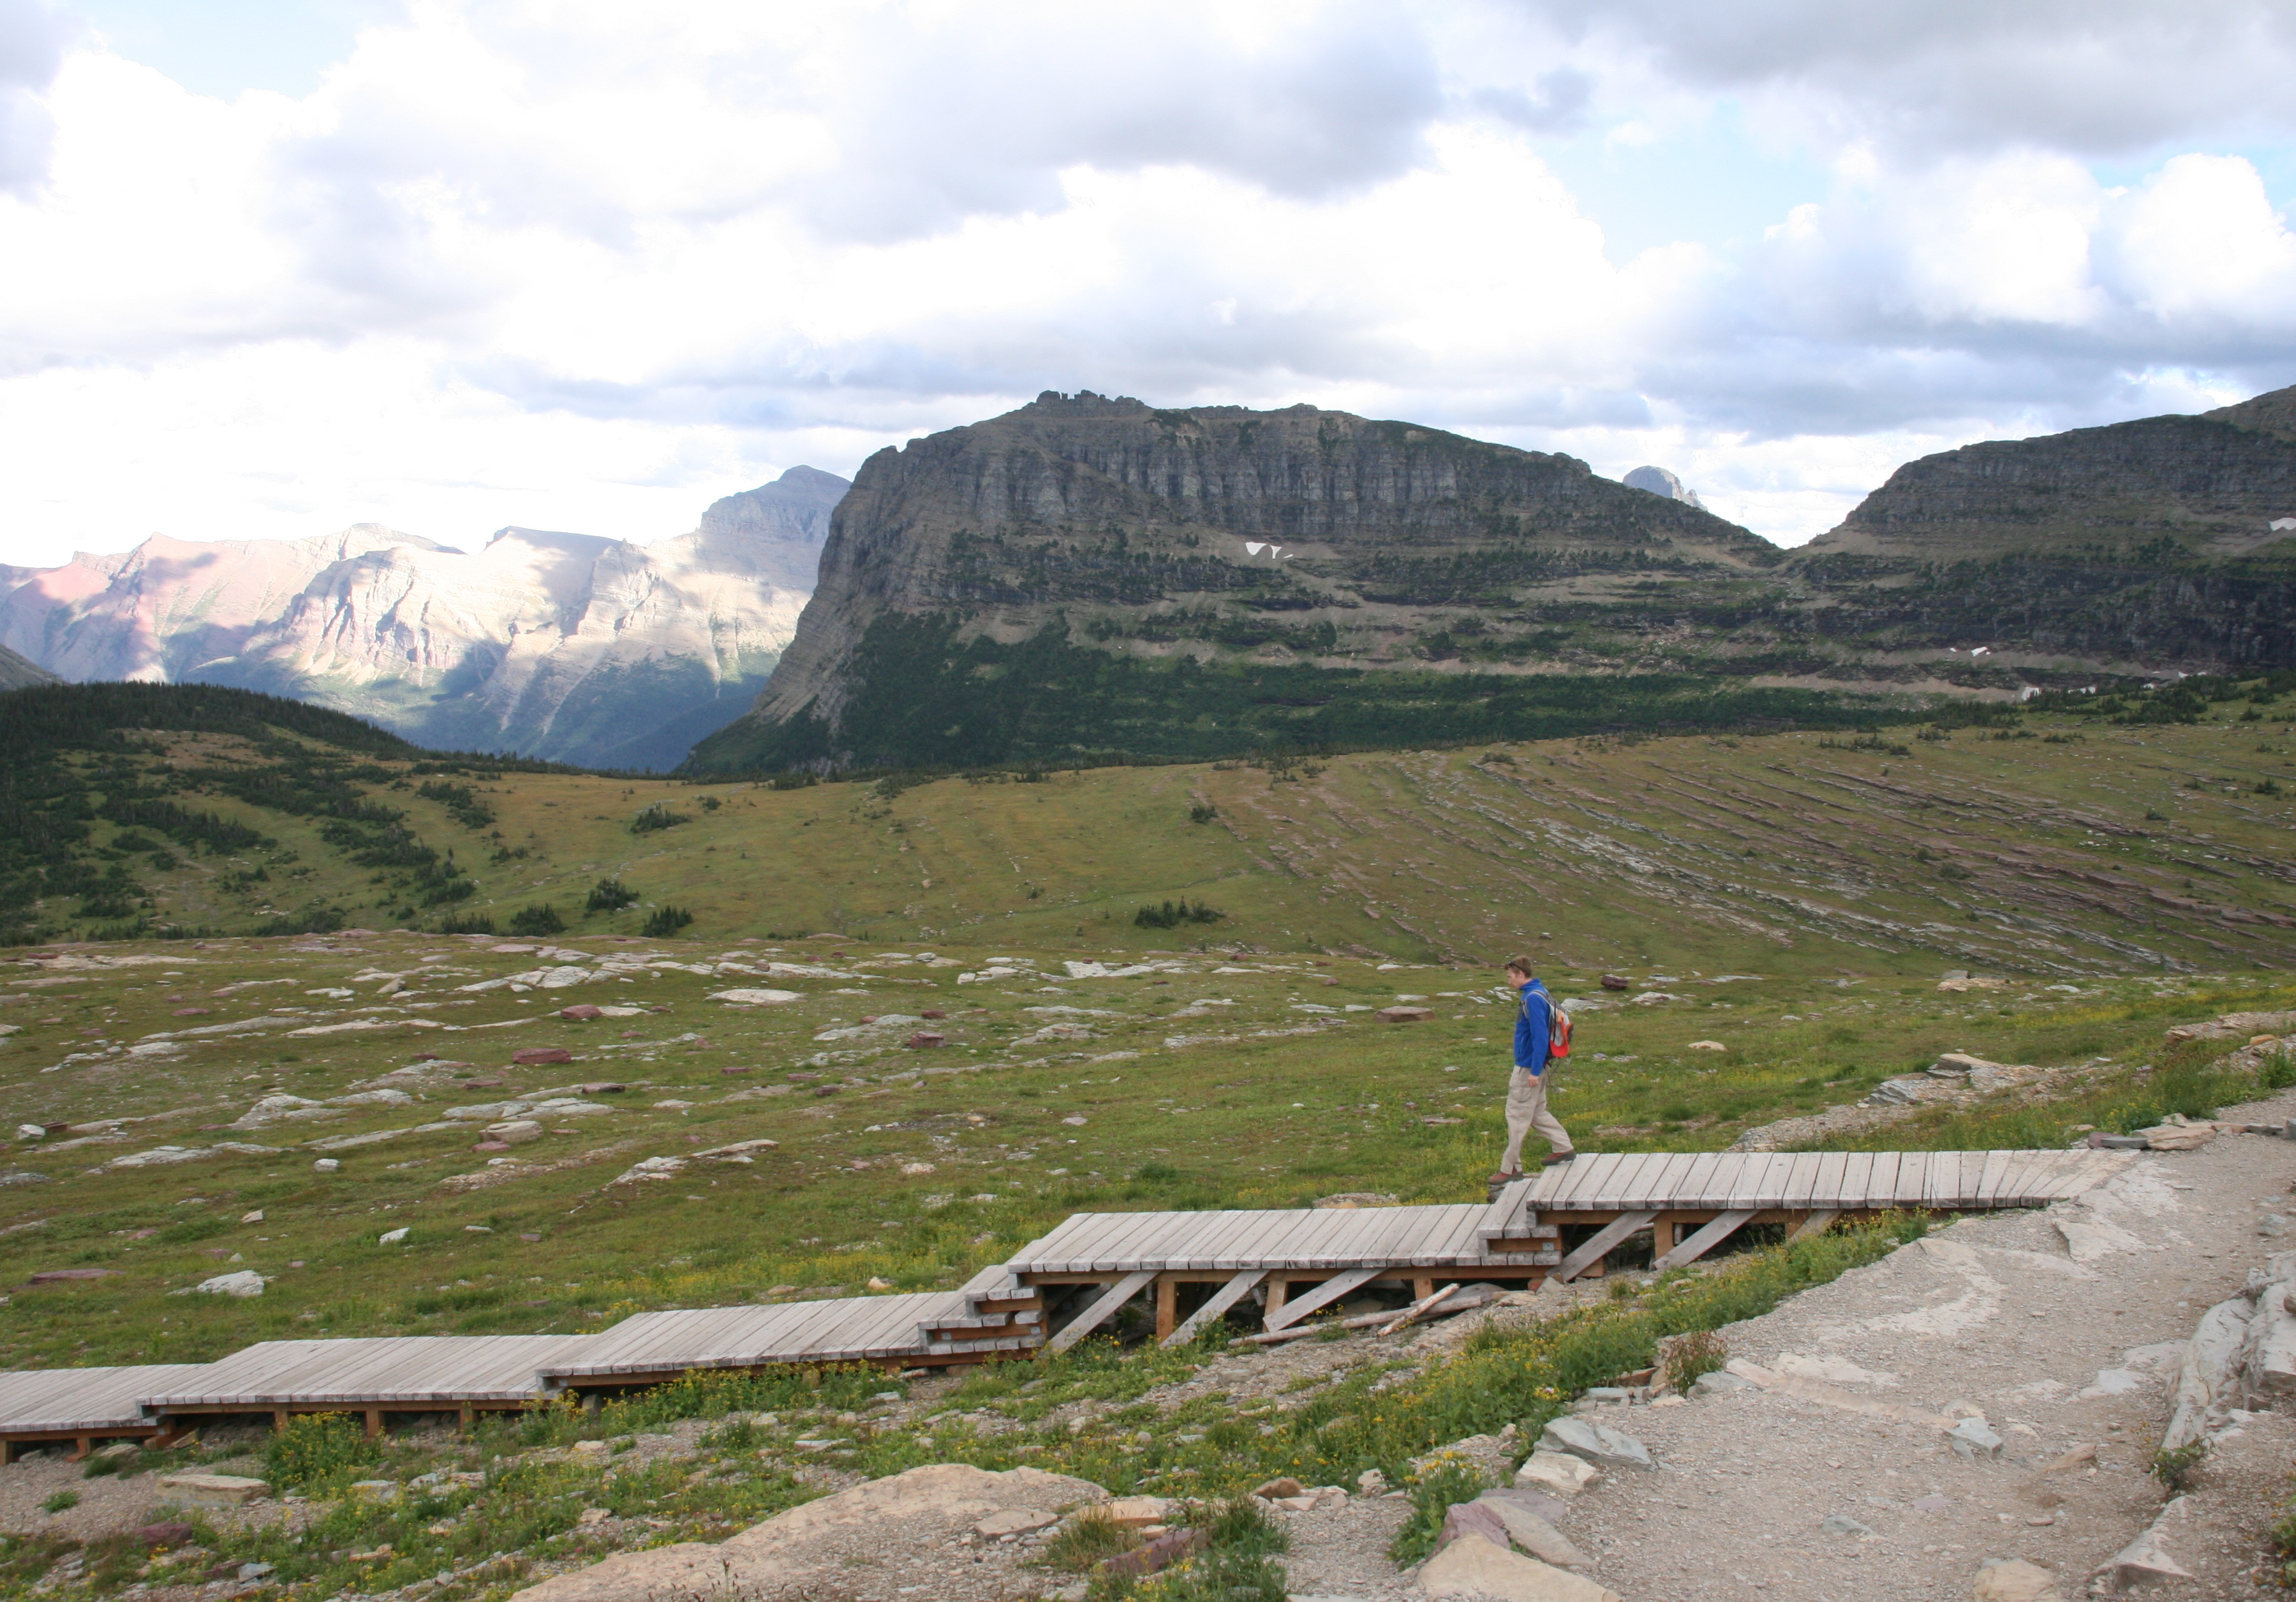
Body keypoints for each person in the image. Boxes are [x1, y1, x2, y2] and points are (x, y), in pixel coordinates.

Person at [1493, 955, 1574, 1184]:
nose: (1509, 982)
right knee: (1537, 1112)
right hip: (1539, 1064)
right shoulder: (1541, 992)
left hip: (1529, 1067)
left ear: (1520, 974)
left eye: (1510, 977)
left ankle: (1510, 1169)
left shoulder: (1532, 999)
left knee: (1517, 1116)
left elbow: (1539, 1037)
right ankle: (1563, 1147)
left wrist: (1534, 1072)